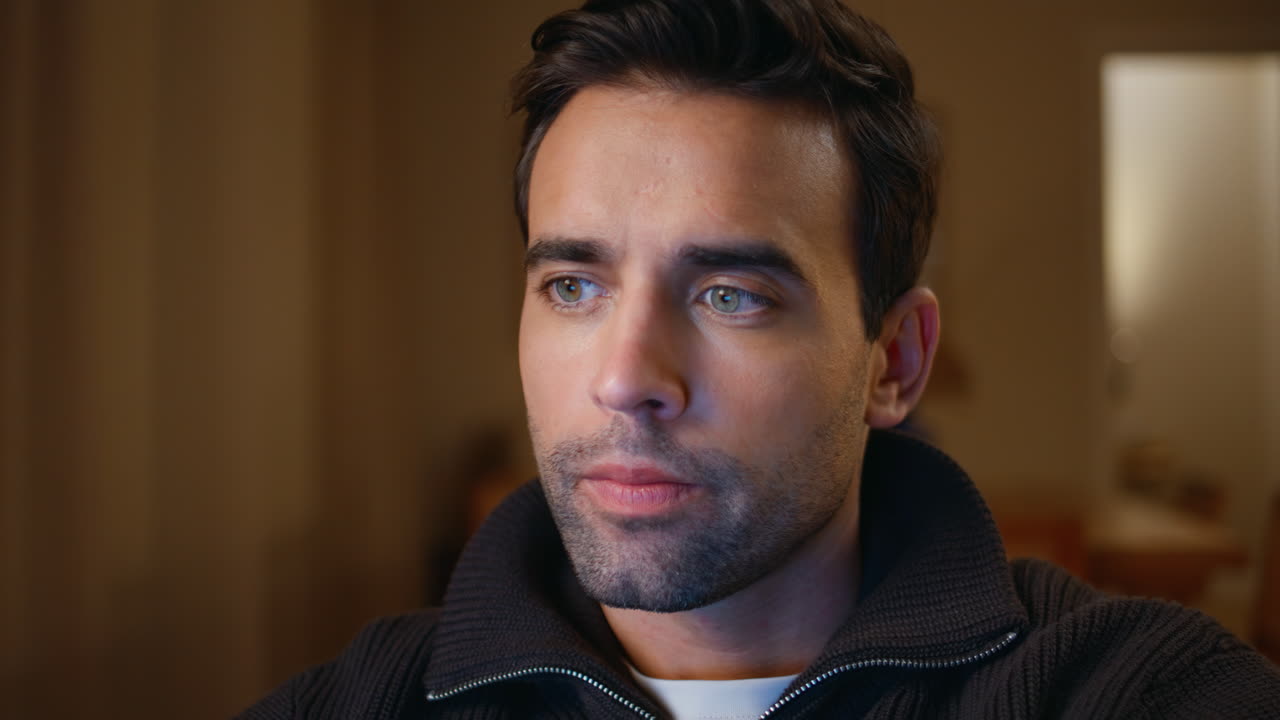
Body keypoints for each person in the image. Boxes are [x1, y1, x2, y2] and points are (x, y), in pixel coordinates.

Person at [239, 1, 1280, 718]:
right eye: (572, 286)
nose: (624, 376)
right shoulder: (360, 700)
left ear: (892, 363)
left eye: (728, 295)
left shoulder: (1131, 691)